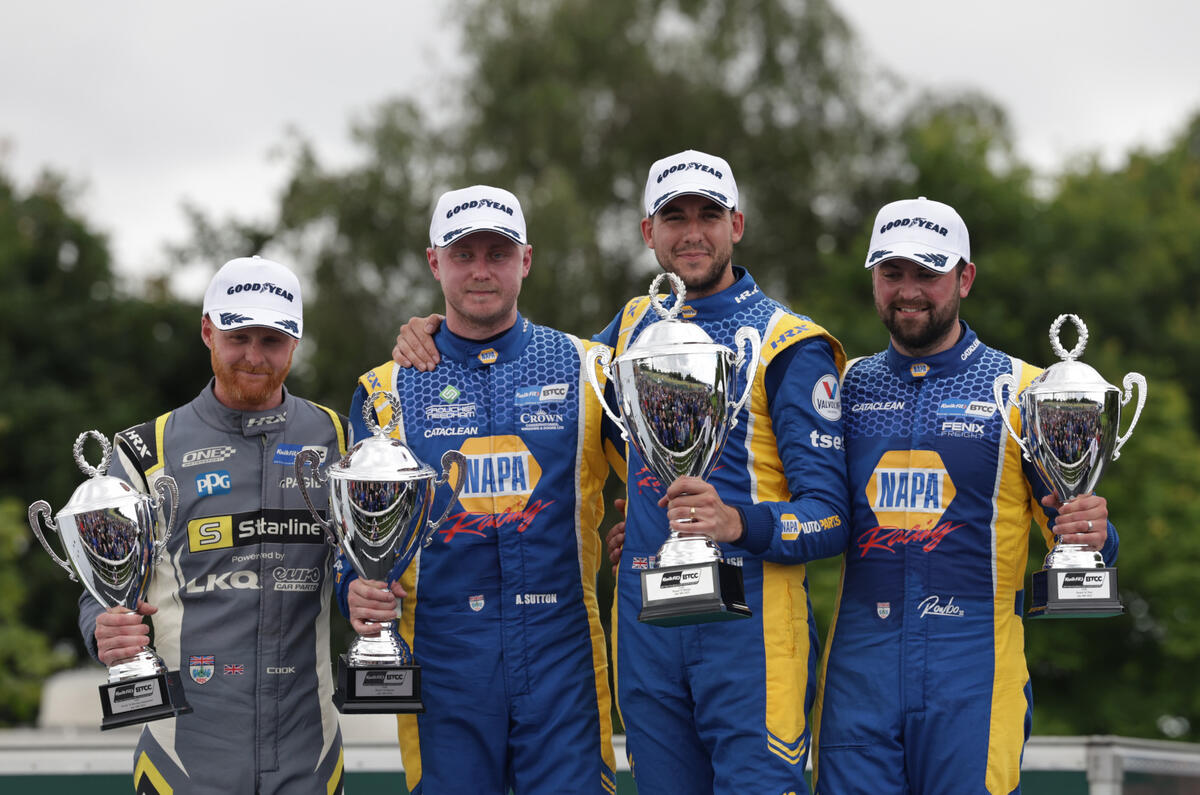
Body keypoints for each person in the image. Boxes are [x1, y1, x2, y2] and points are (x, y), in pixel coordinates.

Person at [395, 152, 851, 794]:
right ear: (649, 232)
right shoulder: (632, 326)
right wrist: (436, 336)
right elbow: (556, 412)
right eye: (675, 216)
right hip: (646, 630)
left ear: (737, 225)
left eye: (708, 215)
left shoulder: (789, 344)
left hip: (750, 636)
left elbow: (832, 517)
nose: (692, 232)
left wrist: (734, 522)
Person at [810, 197, 1119, 794]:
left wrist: (1095, 535)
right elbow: (791, 501)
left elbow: (1082, 536)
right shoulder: (844, 388)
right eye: (891, 272)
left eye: (927, 273)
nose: (908, 291)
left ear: (965, 278)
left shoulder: (1028, 390)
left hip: (974, 677)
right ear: (873, 277)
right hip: (858, 679)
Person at [336, 185, 618, 794]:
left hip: (562, 656)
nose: (482, 271)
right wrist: (351, 589)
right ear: (435, 263)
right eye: (464, 255)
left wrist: (648, 535)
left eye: (499, 253)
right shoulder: (386, 389)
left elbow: (660, 470)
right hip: (443, 664)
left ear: (527, 260)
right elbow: (355, 536)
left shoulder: (587, 367)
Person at [78, 256, 349, 795]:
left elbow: (362, 569)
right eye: (238, 335)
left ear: (296, 342)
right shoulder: (143, 451)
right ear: (207, 330)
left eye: (272, 340)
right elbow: (95, 590)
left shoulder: (337, 441)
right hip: (185, 756)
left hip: (308, 754)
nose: (253, 356)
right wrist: (101, 630)